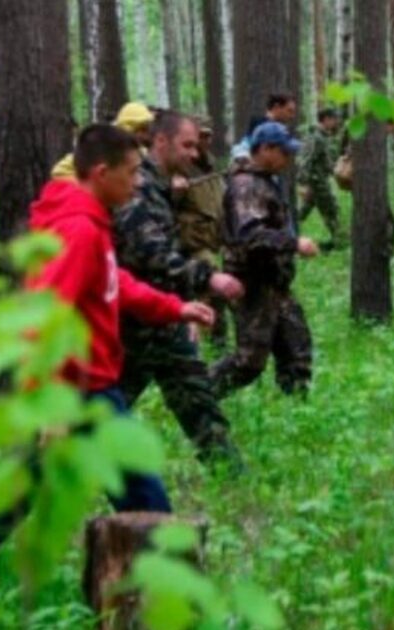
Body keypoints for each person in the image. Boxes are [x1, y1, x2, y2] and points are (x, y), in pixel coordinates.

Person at [27, 123, 217, 511]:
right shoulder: (79, 229)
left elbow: (117, 282)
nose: (136, 184)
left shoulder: (93, 222)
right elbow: (46, 312)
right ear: (101, 173)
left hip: (89, 384)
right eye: (130, 173)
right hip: (80, 390)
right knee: (148, 503)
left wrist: (174, 307)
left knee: (23, 488)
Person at [112, 111, 244, 466]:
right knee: (102, 409)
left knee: (196, 397)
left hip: (163, 320)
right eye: (186, 145)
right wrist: (207, 277)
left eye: (196, 145)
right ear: (160, 142)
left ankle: (231, 474)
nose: (193, 153)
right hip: (134, 325)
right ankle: (45, 468)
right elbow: (152, 254)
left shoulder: (162, 187)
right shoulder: (138, 190)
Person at [212, 122, 319, 397]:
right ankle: (200, 395)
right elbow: (251, 237)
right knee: (249, 361)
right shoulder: (246, 186)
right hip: (253, 286)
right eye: (284, 152)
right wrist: (293, 244)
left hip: (275, 283)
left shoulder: (265, 181)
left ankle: (297, 409)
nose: (288, 159)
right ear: (266, 149)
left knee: (297, 348)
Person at [176, 120, 230, 347]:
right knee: (210, 288)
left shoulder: (211, 165)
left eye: (208, 137)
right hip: (192, 242)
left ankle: (217, 341)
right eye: (201, 137)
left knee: (215, 293)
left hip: (213, 238)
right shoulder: (179, 167)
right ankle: (206, 342)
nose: (205, 142)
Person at [51, 102, 155, 180]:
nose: (147, 135)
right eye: (143, 130)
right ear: (131, 129)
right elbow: (58, 171)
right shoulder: (103, 145)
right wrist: (91, 190)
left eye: (148, 129)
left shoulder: (141, 152)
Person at [297, 108, 344, 250]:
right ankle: (340, 241)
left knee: (303, 211)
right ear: (326, 119)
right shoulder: (316, 137)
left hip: (319, 180)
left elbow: (324, 160)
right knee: (331, 209)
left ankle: (286, 232)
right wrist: (303, 183)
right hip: (317, 182)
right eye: (334, 119)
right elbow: (306, 160)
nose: (336, 122)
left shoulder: (323, 136)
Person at [231, 93, 299, 163]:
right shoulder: (262, 126)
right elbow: (246, 146)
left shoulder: (276, 128)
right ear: (277, 107)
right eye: (289, 111)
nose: (292, 116)